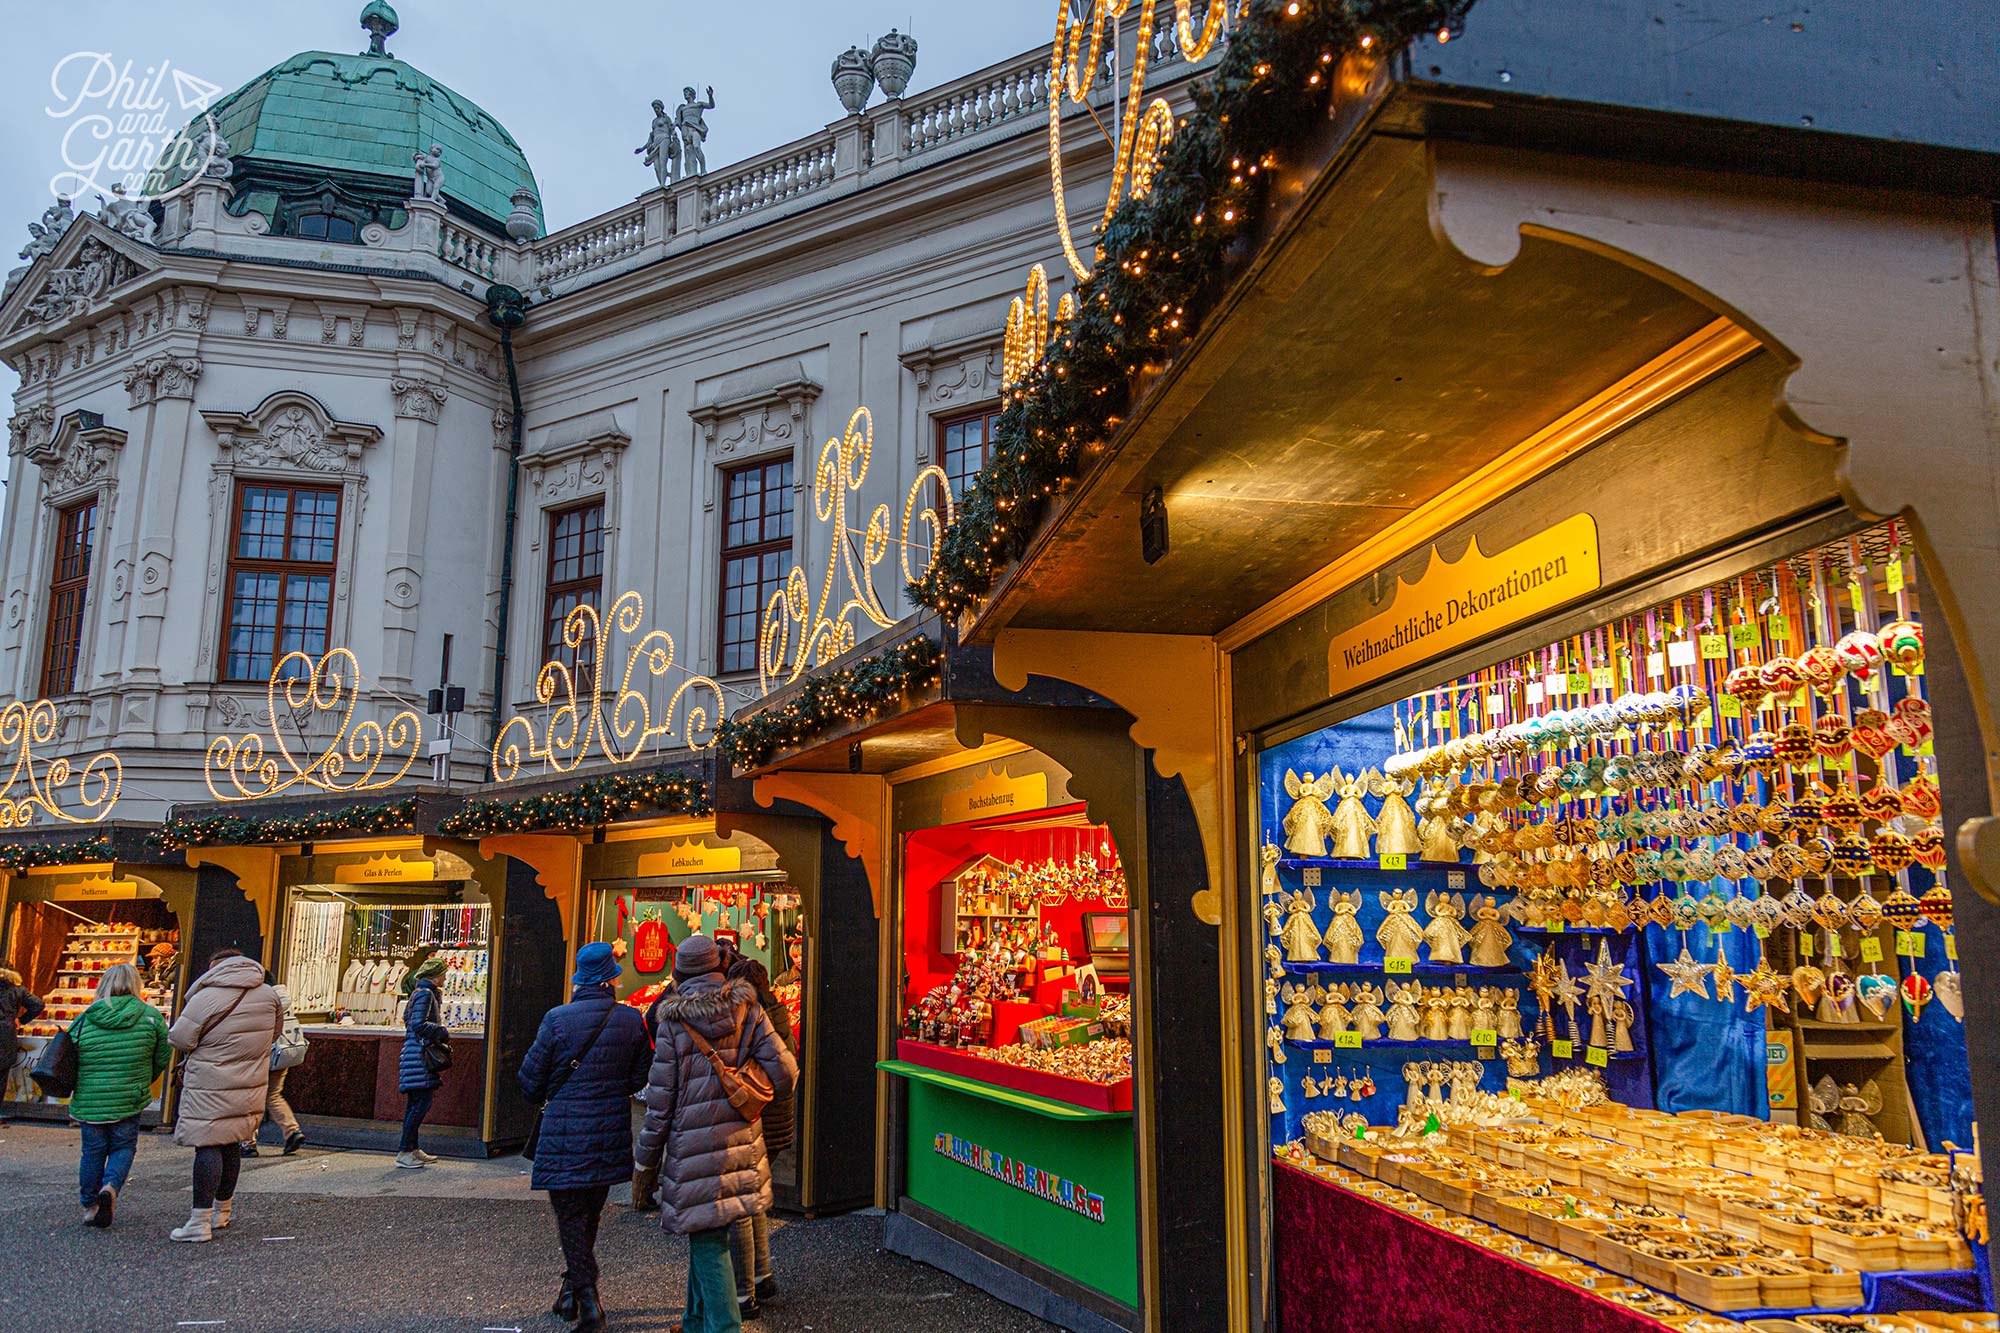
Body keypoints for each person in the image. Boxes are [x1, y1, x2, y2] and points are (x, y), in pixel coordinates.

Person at [634, 934, 797, 1333]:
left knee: (707, 1236)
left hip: (694, 1149)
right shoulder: (750, 1008)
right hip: (743, 1143)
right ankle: (694, 1321)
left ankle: (722, 1325)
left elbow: (661, 1101)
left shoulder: (673, 1023)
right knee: (708, 1231)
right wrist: (747, 1087)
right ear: (719, 966)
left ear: (679, 972)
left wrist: (645, 1160)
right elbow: (787, 1073)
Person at [519, 943, 651, 1333]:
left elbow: (529, 1080)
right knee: (588, 1214)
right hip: (607, 1131)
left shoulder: (556, 1020)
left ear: (579, 979)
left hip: (563, 1134)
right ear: (611, 978)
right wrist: (611, 1091)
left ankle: (589, 1303)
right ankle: (570, 1292)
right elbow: (640, 1075)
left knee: (571, 1217)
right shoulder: (629, 1020)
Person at [167, 948, 281, 1242]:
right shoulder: (269, 996)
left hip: (210, 1082)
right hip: (249, 1081)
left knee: (208, 1144)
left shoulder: (207, 997)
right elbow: (275, 1033)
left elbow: (179, 1037)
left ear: (217, 968)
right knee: (231, 1142)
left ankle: (199, 1221)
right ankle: (222, 1212)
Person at [717, 939, 795, 1320]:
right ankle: (761, 1275)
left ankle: (745, 1291)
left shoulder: (746, 1018)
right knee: (755, 1200)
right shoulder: (775, 1011)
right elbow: (787, 1068)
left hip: (752, 1117)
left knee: (742, 1208)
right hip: (772, 1115)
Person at [68, 962, 171, 1226]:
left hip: (90, 1097)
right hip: (130, 1095)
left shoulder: (86, 1017)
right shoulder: (150, 1016)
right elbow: (162, 1056)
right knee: (123, 1146)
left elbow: (68, 1055)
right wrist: (143, 1080)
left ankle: (90, 1206)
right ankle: (111, 1187)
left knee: (92, 1152)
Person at [241, 969, 305, 1157]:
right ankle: (292, 1131)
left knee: (251, 1098)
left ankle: (248, 1142)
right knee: (273, 1095)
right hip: (283, 1054)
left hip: (262, 1055)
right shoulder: (284, 999)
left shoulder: (263, 1001)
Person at [396, 955, 449, 1169]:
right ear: (436, 976)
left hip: (415, 1053)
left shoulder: (421, 992)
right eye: (444, 973)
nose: (446, 977)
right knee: (420, 1103)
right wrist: (441, 1032)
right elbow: (418, 1023)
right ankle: (405, 1151)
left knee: (416, 1103)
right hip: (419, 1055)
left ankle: (412, 1148)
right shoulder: (426, 994)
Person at [0, 965, 45, 1115]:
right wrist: (21, 1019)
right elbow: (38, 1004)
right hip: (5, 1033)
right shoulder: (17, 989)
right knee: (1, 1072)